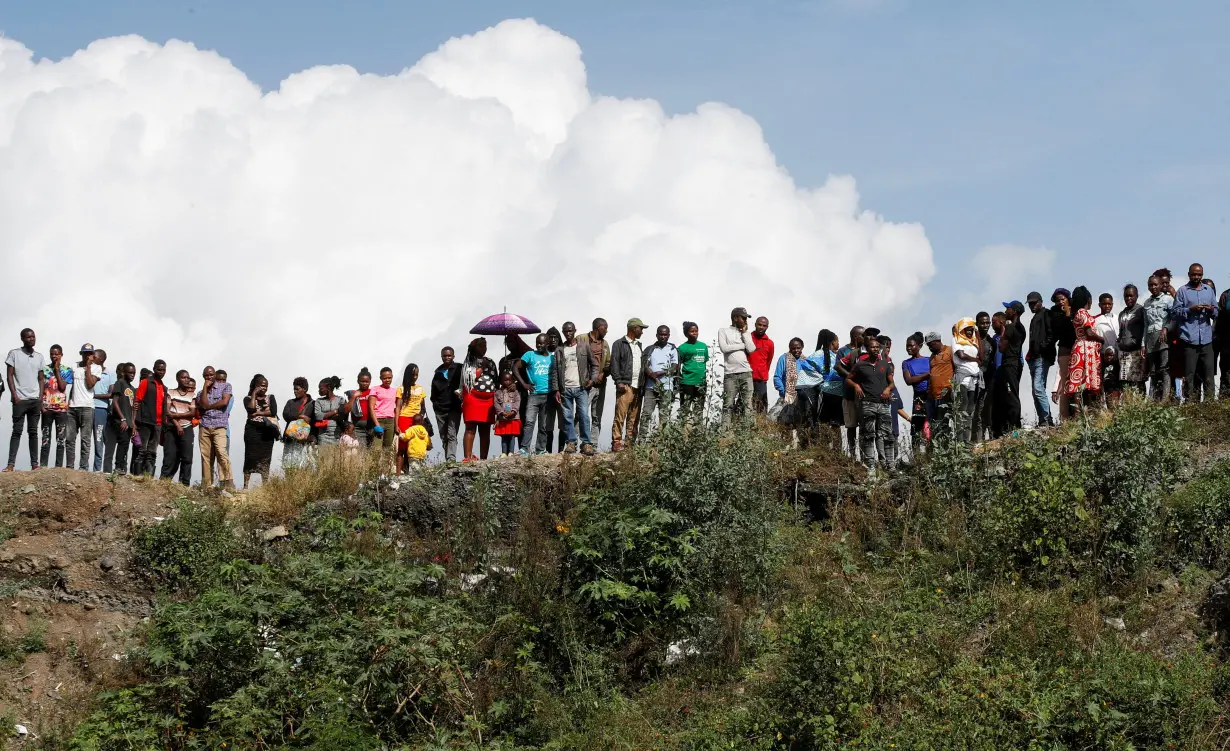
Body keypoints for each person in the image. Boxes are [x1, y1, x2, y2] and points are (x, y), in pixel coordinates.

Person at [847, 334, 897, 472]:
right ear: (867, 349)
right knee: (869, 435)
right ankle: (871, 467)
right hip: (868, 403)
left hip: (883, 403)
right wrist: (856, 386)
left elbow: (892, 382)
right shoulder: (860, 365)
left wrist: (887, 388)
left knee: (887, 435)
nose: (875, 349)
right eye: (872, 347)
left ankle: (890, 466)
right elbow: (849, 379)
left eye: (877, 347)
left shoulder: (884, 364)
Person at [1172, 262, 1218, 403]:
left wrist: (1210, 309)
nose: (1196, 277)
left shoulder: (1208, 291)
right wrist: (1190, 309)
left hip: (1206, 339)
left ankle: (1210, 406)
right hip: (1189, 340)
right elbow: (1175, 313)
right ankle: (1191, 405)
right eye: (1193, 274)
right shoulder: (1182, 291)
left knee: (1209, 375)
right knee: (1190, 375)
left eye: (1199, 274)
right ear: (1189, 274)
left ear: (1202, 275)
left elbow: (1216, 312)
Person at [556, 321, 599, 454]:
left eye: (570, 331)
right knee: (567, 417)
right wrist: (556, 389)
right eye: (565, 331)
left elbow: (595, 365)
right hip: (565, 389)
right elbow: (554, 372)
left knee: (584, 416)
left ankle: (586, 444)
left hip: (581, 388)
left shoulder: (583, 346)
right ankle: (571, 443)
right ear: (563, 332)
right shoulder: (559, 350)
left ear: (575, 331)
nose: (568, 333)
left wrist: (592, 380)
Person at [6, 329, 45, 471]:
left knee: (33, 432)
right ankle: (11, 464)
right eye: (28, 337)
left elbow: (41, 378)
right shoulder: (14, 354)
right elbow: (9, 375)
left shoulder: (39, 357)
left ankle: (35, 464)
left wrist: (41, 397)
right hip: (20, 399)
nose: (31, 339)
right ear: (22, 338)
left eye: (33, 336)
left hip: (35, 400)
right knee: (16, 431)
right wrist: (14, 395)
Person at [1065, 286, 1104, 412]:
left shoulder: (1077, 313)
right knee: (1080, 383)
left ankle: (1082, 413)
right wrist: (1102, 339)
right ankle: (1079, 414)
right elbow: (1089, 333)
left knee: (1080, 382)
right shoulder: (1082, 312)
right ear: (1088, 299)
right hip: (1085, 349)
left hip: (1080, 348)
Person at [517, 334, 557, 455]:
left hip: (548, 395)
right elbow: (516, 367)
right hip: (534, 395)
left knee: (543, 425)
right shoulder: (530, 355)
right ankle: (524, 448)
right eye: (537, 343)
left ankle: (540, 449)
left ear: (547, 344)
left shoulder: (552, 358)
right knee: (529, 422)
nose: (539, 345)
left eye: (541, 343)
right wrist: (524, 384)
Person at [63, 344, 101, 470]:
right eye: (85, 353)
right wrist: (69, 401)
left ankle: (83, 467)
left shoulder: (96, 368)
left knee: (85, 440)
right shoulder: (74, 366)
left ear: (93, 355)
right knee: (69, 439)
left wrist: (88, 367)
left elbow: (90, 384)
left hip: (87, 407)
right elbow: (72, 386)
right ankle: (69, 467)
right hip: (73, 407)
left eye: (90, 353)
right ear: (81, 354)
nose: (87, 355)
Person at [609, 318, 646, 452]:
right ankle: (617, 442)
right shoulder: (619, 343)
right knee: (620, 415)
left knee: (634, 417)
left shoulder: (639, 345)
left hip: (638, 386)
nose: (642, 331)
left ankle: (630, 443)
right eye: (640, 328)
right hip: (625, 385)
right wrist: (618, 381)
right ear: (634, 328)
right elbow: (614, 363)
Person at [461, 338, 498, 461]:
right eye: (481, 346)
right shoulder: (469, 362)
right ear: (474, 347)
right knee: (470, 428)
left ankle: (483, 459)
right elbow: (467, 377)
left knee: (485, 429)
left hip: (488, 399)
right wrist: (482, 368)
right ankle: (467, 456)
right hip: (472, 397)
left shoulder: (491, 362)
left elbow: (496, 379)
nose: (484, 348)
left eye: (485, 345)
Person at [718, 307, 757, 424]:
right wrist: (741, 346)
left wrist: (744, 333)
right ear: (735, 318)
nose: (745, 320)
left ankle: (748, 432)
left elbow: (751, 349)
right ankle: (725, 433)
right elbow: (724, 348)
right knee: (728, 404)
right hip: (730, 374)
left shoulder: (745, 333)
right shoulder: (723, 331)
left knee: (748, 405)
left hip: (746, 373)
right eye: (743, 318)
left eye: (746, 318)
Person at [640, 325, 679, 440]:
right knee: (646, 414)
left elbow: (675, 367)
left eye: (665, 334)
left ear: (668, 335)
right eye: (661, 334)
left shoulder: (672, 349)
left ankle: (663, 442)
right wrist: (652, 374)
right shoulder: (650, 349)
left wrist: (660, 373)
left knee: (664, 415)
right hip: (650, 387)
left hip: (666, 387)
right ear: (656, 335)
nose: (663, 337)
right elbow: (645, 365)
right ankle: (641, 441)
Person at [197, 366, 234, 488]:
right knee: (206, 456)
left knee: (221, 452)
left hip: (219, 426)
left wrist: (208, 406)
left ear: (215, 375)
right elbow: (202, 405)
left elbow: (224, 402)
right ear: (204, 376)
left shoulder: (226, 386)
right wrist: (205, 388)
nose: (209, 377)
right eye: (206, 375)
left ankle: (227, 482)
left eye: (211, 375)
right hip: (205, 426)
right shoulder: (200, 392)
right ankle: (206, 485)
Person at [994, 302, 1027, 437]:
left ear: (1014, 311)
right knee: (1013, 392)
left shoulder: (1010, 327)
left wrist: (1002, 337)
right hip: (1016, 364)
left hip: (1009, 364)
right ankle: (1013, 426)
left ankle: (1014, 428)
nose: (1006, 311)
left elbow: (1002, 347)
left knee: (1011, 395)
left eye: (1008, 309)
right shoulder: (1022, 328)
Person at [1024, 291, 1055, 428]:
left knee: (1038, 388)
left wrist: (1042, 348)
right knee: (1036, 390)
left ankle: (1047, 419)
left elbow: (1051, 334)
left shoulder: (1046, 314)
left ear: (1040, 301)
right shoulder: (1035, 317)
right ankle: (1043, 420)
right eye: (1030, 304)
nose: (1032, 306)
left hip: (1042, 357)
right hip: (1034, 357)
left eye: (1034, 303)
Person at [242, 374, 278, 489]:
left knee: (265, 458)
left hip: (267, 433)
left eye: (266, 386)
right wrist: (253, 394)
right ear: (256, 386)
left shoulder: (271, 398)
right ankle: (245, 486)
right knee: (250, 457)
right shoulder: (247, 399)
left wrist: (257, 413)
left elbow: (273, 411)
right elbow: (250, 408)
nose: (264, 388)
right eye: (262, 386)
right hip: (252, 432)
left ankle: (265, 486)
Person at [160, 370, 196, 486]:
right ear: (177, 379)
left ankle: (184, 484)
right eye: (183, 377)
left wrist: (176, 415)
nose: (186, 380)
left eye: (188, 377)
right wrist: (177, 424)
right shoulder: (170, 392)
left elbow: (192, 413)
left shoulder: (192, 395)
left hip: (187, 428)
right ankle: (164, 482)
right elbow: (167, 411)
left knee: (187, 457)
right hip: (172, 428)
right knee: (170, 456)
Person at [132, 360, 168, 477]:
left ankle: (149, 477)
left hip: (158, 423)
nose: (161, 372)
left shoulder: (164, 387)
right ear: (154, 369)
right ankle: (137, 475)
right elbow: (137, 401)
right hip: (145, 421)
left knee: (152, 452)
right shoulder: (146, 383)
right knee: (142, 450)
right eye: (159, 369)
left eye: (163, 370)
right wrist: (133, 422)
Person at [835, 326, 866, 457]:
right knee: (851, 425)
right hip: (849, 394)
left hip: (865, 395)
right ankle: (853, 455)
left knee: (865, 427)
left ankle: (865, 455)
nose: (867, 338)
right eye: (863, 336)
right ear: (856, 337)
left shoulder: (867, 350)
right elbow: (838, 367)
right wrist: (852, 378)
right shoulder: (843, 351)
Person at [39, 345, 72, 469]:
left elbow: (62, 387)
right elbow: (41, 387)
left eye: (56, 354)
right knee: (45, 439)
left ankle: (58, 468)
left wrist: (57, 370)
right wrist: (41, 405)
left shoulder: (67, 370)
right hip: (47, 408)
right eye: (52, 354)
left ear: (61, 355)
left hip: (61, 409)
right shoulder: (44, 369)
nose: (54, 356)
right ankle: (43, 466)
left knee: (60, 440)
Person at [951, 319, 983, 444]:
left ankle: (966, 440)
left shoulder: (972, 342)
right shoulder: (956, 339)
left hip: (973, 378)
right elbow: (961, 355)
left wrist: (978, 337)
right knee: (962, 409)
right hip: (963, 378)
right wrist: (975, 359)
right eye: (967, 330)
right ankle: (960, 441)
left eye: (971, 330)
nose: (970, 332)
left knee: (970, 410)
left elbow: (981, 356)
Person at [1143, 275, 1174, 400]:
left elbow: (1174, 319)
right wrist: (1143, 344)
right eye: (1151, 285)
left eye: (1156, 284)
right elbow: (1146, 325)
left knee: (1165, 369)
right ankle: (1153, 399)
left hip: (1164, 339)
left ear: (1161, 285)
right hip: (1150, 339)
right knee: (1153, 371)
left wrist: (1166, 328)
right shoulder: (1146, 303)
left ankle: (1165, 399)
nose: (1153, 287)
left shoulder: (1168, 300)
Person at [814, 329, 846, 449]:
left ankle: (824, 448)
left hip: (827, 393)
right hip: (838, 394)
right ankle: (837, 450)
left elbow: (808, 368)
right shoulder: (838, 356)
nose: (838, 343)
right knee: (836, 423)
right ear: (832, 342)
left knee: (824, 422)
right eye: (837, 341)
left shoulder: (817, 355)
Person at [430, 349, 463, 461]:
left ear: (453, 356)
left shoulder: (460, 368)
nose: (447, 358)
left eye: (449, 355)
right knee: (444, 436)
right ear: (441, 357)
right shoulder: (438, 372)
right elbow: (433, 392)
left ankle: (451, 458)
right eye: (445, 356)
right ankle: (447, 459)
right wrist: (435, 404)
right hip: (440, 408)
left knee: (451, 434)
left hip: (454, 406)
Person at [900, 332, 931, 452]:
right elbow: (909, 380)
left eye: (911, 345)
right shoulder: (906, 363)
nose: (908, 348)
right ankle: (917, 457)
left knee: (932, 425)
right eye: (907, 346)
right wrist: (926, 375)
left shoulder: (929, 360)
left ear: (919, 345)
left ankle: (931, 455)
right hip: (918, 397)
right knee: (917, 427)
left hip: (931, 395)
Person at [1050, 289, 1077, 421]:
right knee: (1066, 383)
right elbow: (1062, 330)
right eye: (1057, 300)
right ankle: (1064, 418)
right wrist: (1066, 314)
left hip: (1077, 348)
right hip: (1065, 350)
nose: (1060, 302)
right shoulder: (1055, 315)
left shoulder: (1076, 311)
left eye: (1062, 299)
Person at [103, 362, 135, 474]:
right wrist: (123, 419)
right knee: (119, 443)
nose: (132, 375)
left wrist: (133, 423)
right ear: (124, 372)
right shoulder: (120, 383)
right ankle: (116, 468)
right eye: (130, 372)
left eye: (134, 373)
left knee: (125, 445)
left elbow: (133, 408)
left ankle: (121, 468)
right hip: (119, 421)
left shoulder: (132, 389)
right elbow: (115, 402)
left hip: (129, 423)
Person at [1117, 284, 1147, 397]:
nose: (1128, 298)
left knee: (1138, 382)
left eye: (1131, 296)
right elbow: (1120, 332)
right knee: (1125, 384)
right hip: (1124, 354)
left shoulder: (1141, 311)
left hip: (1137, 353)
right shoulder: (1122, 313)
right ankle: (1128, 409)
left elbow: (1145, 330)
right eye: (1126, 296)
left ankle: (1141, 408)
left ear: (1136, 296)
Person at [925, 332, 954, 439]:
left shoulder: (949, 351)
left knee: (945, 423)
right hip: (934, 396)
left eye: (931, 345)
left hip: (946, 394)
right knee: (936, 426)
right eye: (928, 346)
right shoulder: (932, 357)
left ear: (938, 341)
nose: (930, 348)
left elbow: (956, 369)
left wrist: (951, 389)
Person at [677, 322, 708, 421]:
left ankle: (697, 433)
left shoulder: (703, 346)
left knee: (699, 409)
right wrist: (680, 379)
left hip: (701, 382)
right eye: (692, 331)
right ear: (686, 333)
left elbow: (704, 361)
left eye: (696, 331)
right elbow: (677, 365)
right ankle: (683, 432)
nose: (695, 333)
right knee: (685, 409)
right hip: (687, 382)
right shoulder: (682, 348)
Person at [586, 319, 612, 442]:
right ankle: (575, 444)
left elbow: (608, 363)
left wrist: (603, 374)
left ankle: (593, 444)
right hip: (586, 385)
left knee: (597, 416)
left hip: (601, 384)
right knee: (581, 414)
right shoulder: (583, 340)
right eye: (605, 328)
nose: (606, 331)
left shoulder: (605, 344)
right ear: (598, 327)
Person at [972, 312, 995, 442]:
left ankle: (990, 437)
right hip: (975, 378)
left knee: (987, 408)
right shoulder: (973, 340)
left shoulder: (991, 341)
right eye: (982, 323)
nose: (985, 325)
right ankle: (975, 439)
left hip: (989, 379)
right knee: (975, 409)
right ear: (977, 324)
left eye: (987, 323)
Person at [281, 377, 314, 470]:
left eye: (297, 389)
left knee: (301, 466)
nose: (295, 391)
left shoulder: (313, 403)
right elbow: (286, 415)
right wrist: (301, 416)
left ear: (305, 389)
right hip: (290, 438)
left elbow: (314, 420)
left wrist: (309, 420)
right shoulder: (290, 402)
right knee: (287, 465)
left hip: (303, 440)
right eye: (294, 389)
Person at [90, 349, 113, 472]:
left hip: (101, 408)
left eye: (94, 356)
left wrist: (94, 396)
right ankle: (83, 467)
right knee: (86, 437)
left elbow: (111, 394)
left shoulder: (109, 373)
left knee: (99, 438)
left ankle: (97, 469)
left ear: (101, 359)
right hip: (87, 407)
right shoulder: (88, 371)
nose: (91, 358)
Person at [343, 368, 376, 447]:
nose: (364, 383)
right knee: (361, 450)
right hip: (358, 428)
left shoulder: (373, 392)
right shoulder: (352, 393)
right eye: (362, 381)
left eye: (367, 381)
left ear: (370, 381)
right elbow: (346, 410)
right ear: (358, 381)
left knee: (372, 449)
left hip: (371, 426)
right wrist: (354, 397)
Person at [749, 316, 774, 414]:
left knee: (761, 406)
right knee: (743, 404)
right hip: (747, 377)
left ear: (767, 327)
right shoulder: (748, 338)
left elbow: (769, 360)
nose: (761, 327)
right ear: (755, 324)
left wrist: (762, 373)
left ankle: (761, 426)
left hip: (761, 379)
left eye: (764, 325)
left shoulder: (769, 343)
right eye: (759, 324)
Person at [493, 371, 522, 455]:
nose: (508, 382)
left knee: (512, 435)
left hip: (513, 418)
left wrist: (513, 411)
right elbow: (496, 404)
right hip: (502, 419)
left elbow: (517, 402)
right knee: (504, 436)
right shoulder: (497, 393)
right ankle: (503, 453)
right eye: (505, 380)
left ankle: (511, 452)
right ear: (501, 381)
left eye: (509, 380)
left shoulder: (516, 392)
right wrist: (501, 412)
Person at [314, 375, 346, 446]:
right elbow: (318, 416)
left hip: (337, 436)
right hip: (323, 436)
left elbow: (342, 416)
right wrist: (336, 411)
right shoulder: (318, 401)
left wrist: (325, 415)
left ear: (328, 388)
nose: (319, 390)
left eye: (320, 388)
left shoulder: (340, 400)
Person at [371, 367, 398, 449]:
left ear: (392, 377)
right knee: (377, 449)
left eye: (389, 378)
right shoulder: (375, 389)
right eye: (384, 378)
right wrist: (377, 424)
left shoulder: (395, 391)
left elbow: (397, 407)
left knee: (387, 449)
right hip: (379, 420)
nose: (387, 380)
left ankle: (385, 463)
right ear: (380, 378)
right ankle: (373, 463)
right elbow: (371, 408)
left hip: (390, 421)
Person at [1218, 283, 1230, 399]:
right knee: (1226, 374)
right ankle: (1224, 402)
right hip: (1227, 343)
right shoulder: (1225, 295)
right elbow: (1220, 321)